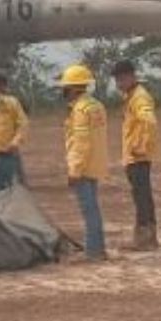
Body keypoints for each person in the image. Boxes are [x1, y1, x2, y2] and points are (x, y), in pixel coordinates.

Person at [60, 64, 109, 261]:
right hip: (95, 164)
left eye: (65, 87)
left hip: (83, 166)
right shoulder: (96, 106)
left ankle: (94, 252)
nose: (63, 91)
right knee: (93, 209)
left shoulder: (80, 110)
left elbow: (81, 143)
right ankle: (98, 249)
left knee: (89, 210)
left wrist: (74, 170)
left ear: (72, 88)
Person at [112, 59, 160, 250]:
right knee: (142, 196)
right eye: (117, 80)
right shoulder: (131, 97)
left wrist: (141, 146)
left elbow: (149, 121)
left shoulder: (140, 97)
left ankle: (145, 239)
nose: (118, 84)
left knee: (142, 197)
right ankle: (147, 237)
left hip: (138, 156)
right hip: (133, 156)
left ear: (131, 76)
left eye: (121, 79)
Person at [0, 71, 29, 184]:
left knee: (15, 168)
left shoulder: (12, 101)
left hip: (9, 140)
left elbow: (23, 118)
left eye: (1, 84)